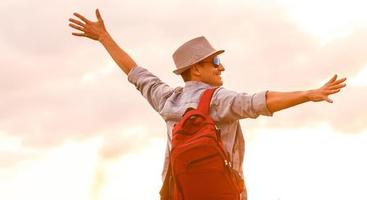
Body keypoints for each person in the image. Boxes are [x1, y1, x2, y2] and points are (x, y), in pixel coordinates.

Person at [68, 9, 347, 199]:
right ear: (196, 69)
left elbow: (134, 72)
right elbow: (259, 102)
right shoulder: (218, 100)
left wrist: (104, 38)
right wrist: (307, 94)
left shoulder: (166, 99)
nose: (221, 67)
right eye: (214, 61)